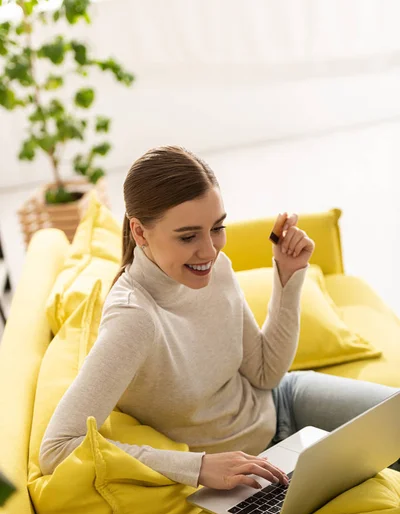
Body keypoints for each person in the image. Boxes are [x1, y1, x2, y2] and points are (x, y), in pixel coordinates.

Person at [39, 145, 400, 492]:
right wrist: (197, 467)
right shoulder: (134, 319)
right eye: (188, 236)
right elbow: (57, 448)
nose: (210, 251)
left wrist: (288, 277)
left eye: (217, 227)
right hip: (251, 466)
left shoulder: (217, 268)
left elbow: (265, 374)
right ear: (139, 231)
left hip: (284, 399)